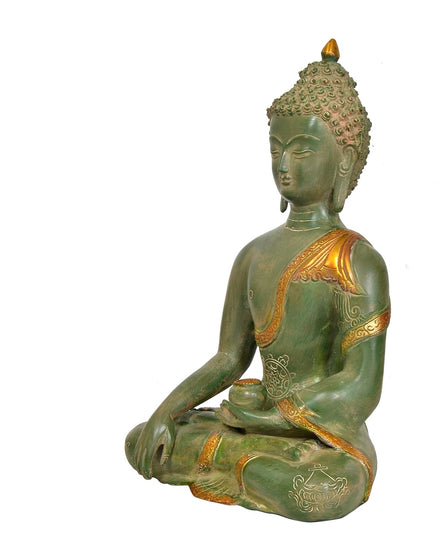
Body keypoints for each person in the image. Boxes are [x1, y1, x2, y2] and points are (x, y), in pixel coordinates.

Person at [125, 39, 390, 521]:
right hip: (255, 424)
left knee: (321, 491)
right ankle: (244, 465)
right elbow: (230, 357)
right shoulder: (253, 255)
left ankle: (236, 464)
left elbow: (361, 383)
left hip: (322, 438)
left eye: (302, 150)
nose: (284, 165)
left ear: (344, 161)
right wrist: (166, 411)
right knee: (141, 438)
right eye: (276, 149)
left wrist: (277, 417)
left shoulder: (357, 260)